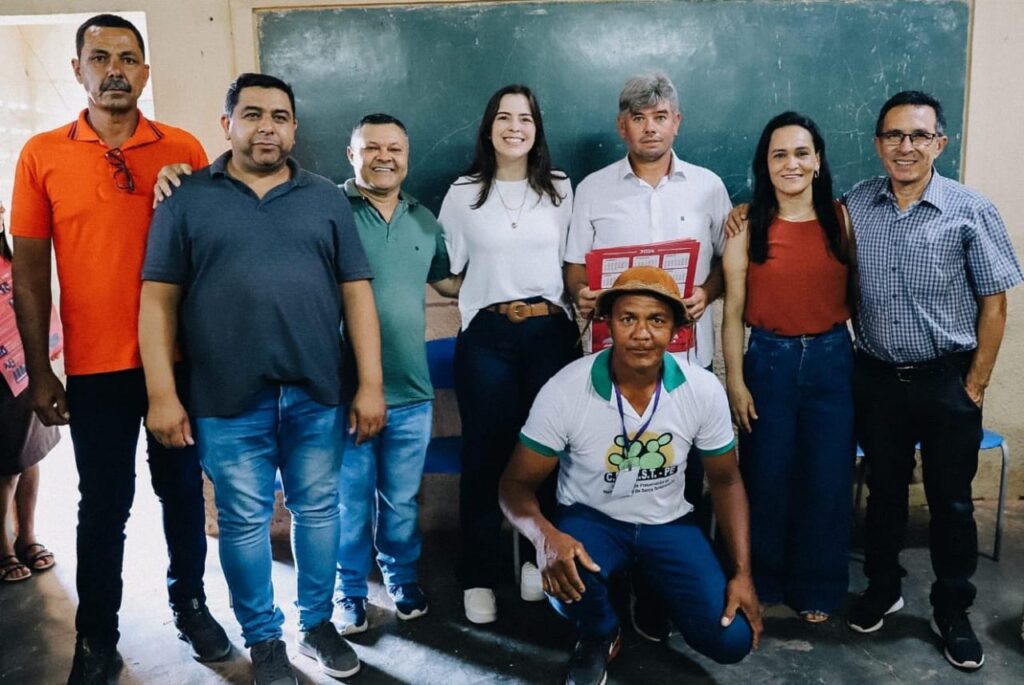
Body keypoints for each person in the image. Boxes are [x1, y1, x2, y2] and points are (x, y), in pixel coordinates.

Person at [139, 73, 386, 685]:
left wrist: (370, 383)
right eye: (252, 114)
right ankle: (264, 638)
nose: (267, 126)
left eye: (279, 116)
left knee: (318, 511)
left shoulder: (326, 197)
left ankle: (316, 624)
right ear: (227, 125)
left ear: (294, 127)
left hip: (315, 394)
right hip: (226, 399)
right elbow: (157, 300)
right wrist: (162, 394)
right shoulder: (187, 197)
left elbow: (356, 294)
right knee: (245, 523)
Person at [9, 14, 228, 683]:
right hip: (96, 368)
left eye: (128, 58)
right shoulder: (42, 154)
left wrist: (195, 193)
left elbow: (217, 249)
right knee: (104, 503)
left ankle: (190, 604)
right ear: (78, 69)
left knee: (184, 492)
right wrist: (42, 368)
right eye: (99, 57)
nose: (115, 70)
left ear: (145, 72)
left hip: (180, 360)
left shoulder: (183, 147)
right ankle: (97, 636)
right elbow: (28, 271)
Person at [500, 266, 761, 685]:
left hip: (668, 522)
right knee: (568, 582)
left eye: (656, 320)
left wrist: (743, 573)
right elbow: (514, 485)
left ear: (676, 329)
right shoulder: (567, 388)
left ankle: (654, 594)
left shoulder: (702, 388)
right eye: (628, 318)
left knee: (731, 642)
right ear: (608, 324)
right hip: (592, 520)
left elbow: (727, 481)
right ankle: (601, 631)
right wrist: (544, 539)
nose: (641, 333)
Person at [841, 91, 1022, 670]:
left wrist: (975, 385)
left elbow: (995, 305)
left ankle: (952, 609)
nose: (906, 147)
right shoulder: (855, 204)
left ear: (940, 143)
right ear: (877, 144)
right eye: (894, 135)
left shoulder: (971, 209)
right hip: (875, 379)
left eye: (919, 136)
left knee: (950, 503)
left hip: (947, 381)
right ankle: (883, 587)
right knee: (884, 492)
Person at [563, 71, 732, 641]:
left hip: (687, 363)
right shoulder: (591, 188)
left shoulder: (708, 186)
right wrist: (580, 293)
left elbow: (724, 265)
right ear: (622, 126)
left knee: (680, 481)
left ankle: (661, 593)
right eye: (639, 118)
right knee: (615, 473)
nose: (650, 128)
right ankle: (614, 584)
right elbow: (573, 264)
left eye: (660, 117)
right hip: (614, 363)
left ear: (676, 122)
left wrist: (708, 291)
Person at [438, 84, 580, 624]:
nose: (514, 126)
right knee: (485, 458)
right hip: (488, 340)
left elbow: (575, 266)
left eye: (525, 118)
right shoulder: (464, 193)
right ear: (489, 127)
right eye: (504, 117)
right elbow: (447, 273)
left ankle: (535, 560)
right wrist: (486, 291)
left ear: (537, 128)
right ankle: (478, 573)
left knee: (547, 453)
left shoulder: (562, 190)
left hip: (550, 336)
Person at [721, 112, 855, 623]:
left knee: (826, 477)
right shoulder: (746, 225)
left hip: (831, 359)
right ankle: (766, 578)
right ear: (765, 164)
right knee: (766, 474)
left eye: (802, 153)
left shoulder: (841, 220)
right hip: (768, 361)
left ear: (818, 161)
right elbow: (732, 313)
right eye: (779, 154)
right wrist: (735, 381)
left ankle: (818, 586)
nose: (791, 163)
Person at [334, 113, 461, 634]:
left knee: (402, 499)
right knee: (347, 502)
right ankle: (347, 591)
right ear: (352, 155)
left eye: (395, 149)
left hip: (411, 393)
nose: (384, 157)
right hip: (344, 395)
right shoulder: (328, 212)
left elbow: (450, 285)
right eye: (372, 148)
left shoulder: (424, 221)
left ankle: (401, 577)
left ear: (407, 157)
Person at [1, 206, 61, 584]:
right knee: (5, 468)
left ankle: (27, 536)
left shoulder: (13, 260)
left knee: (30, 457)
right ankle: (3, 550)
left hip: (26, 374)